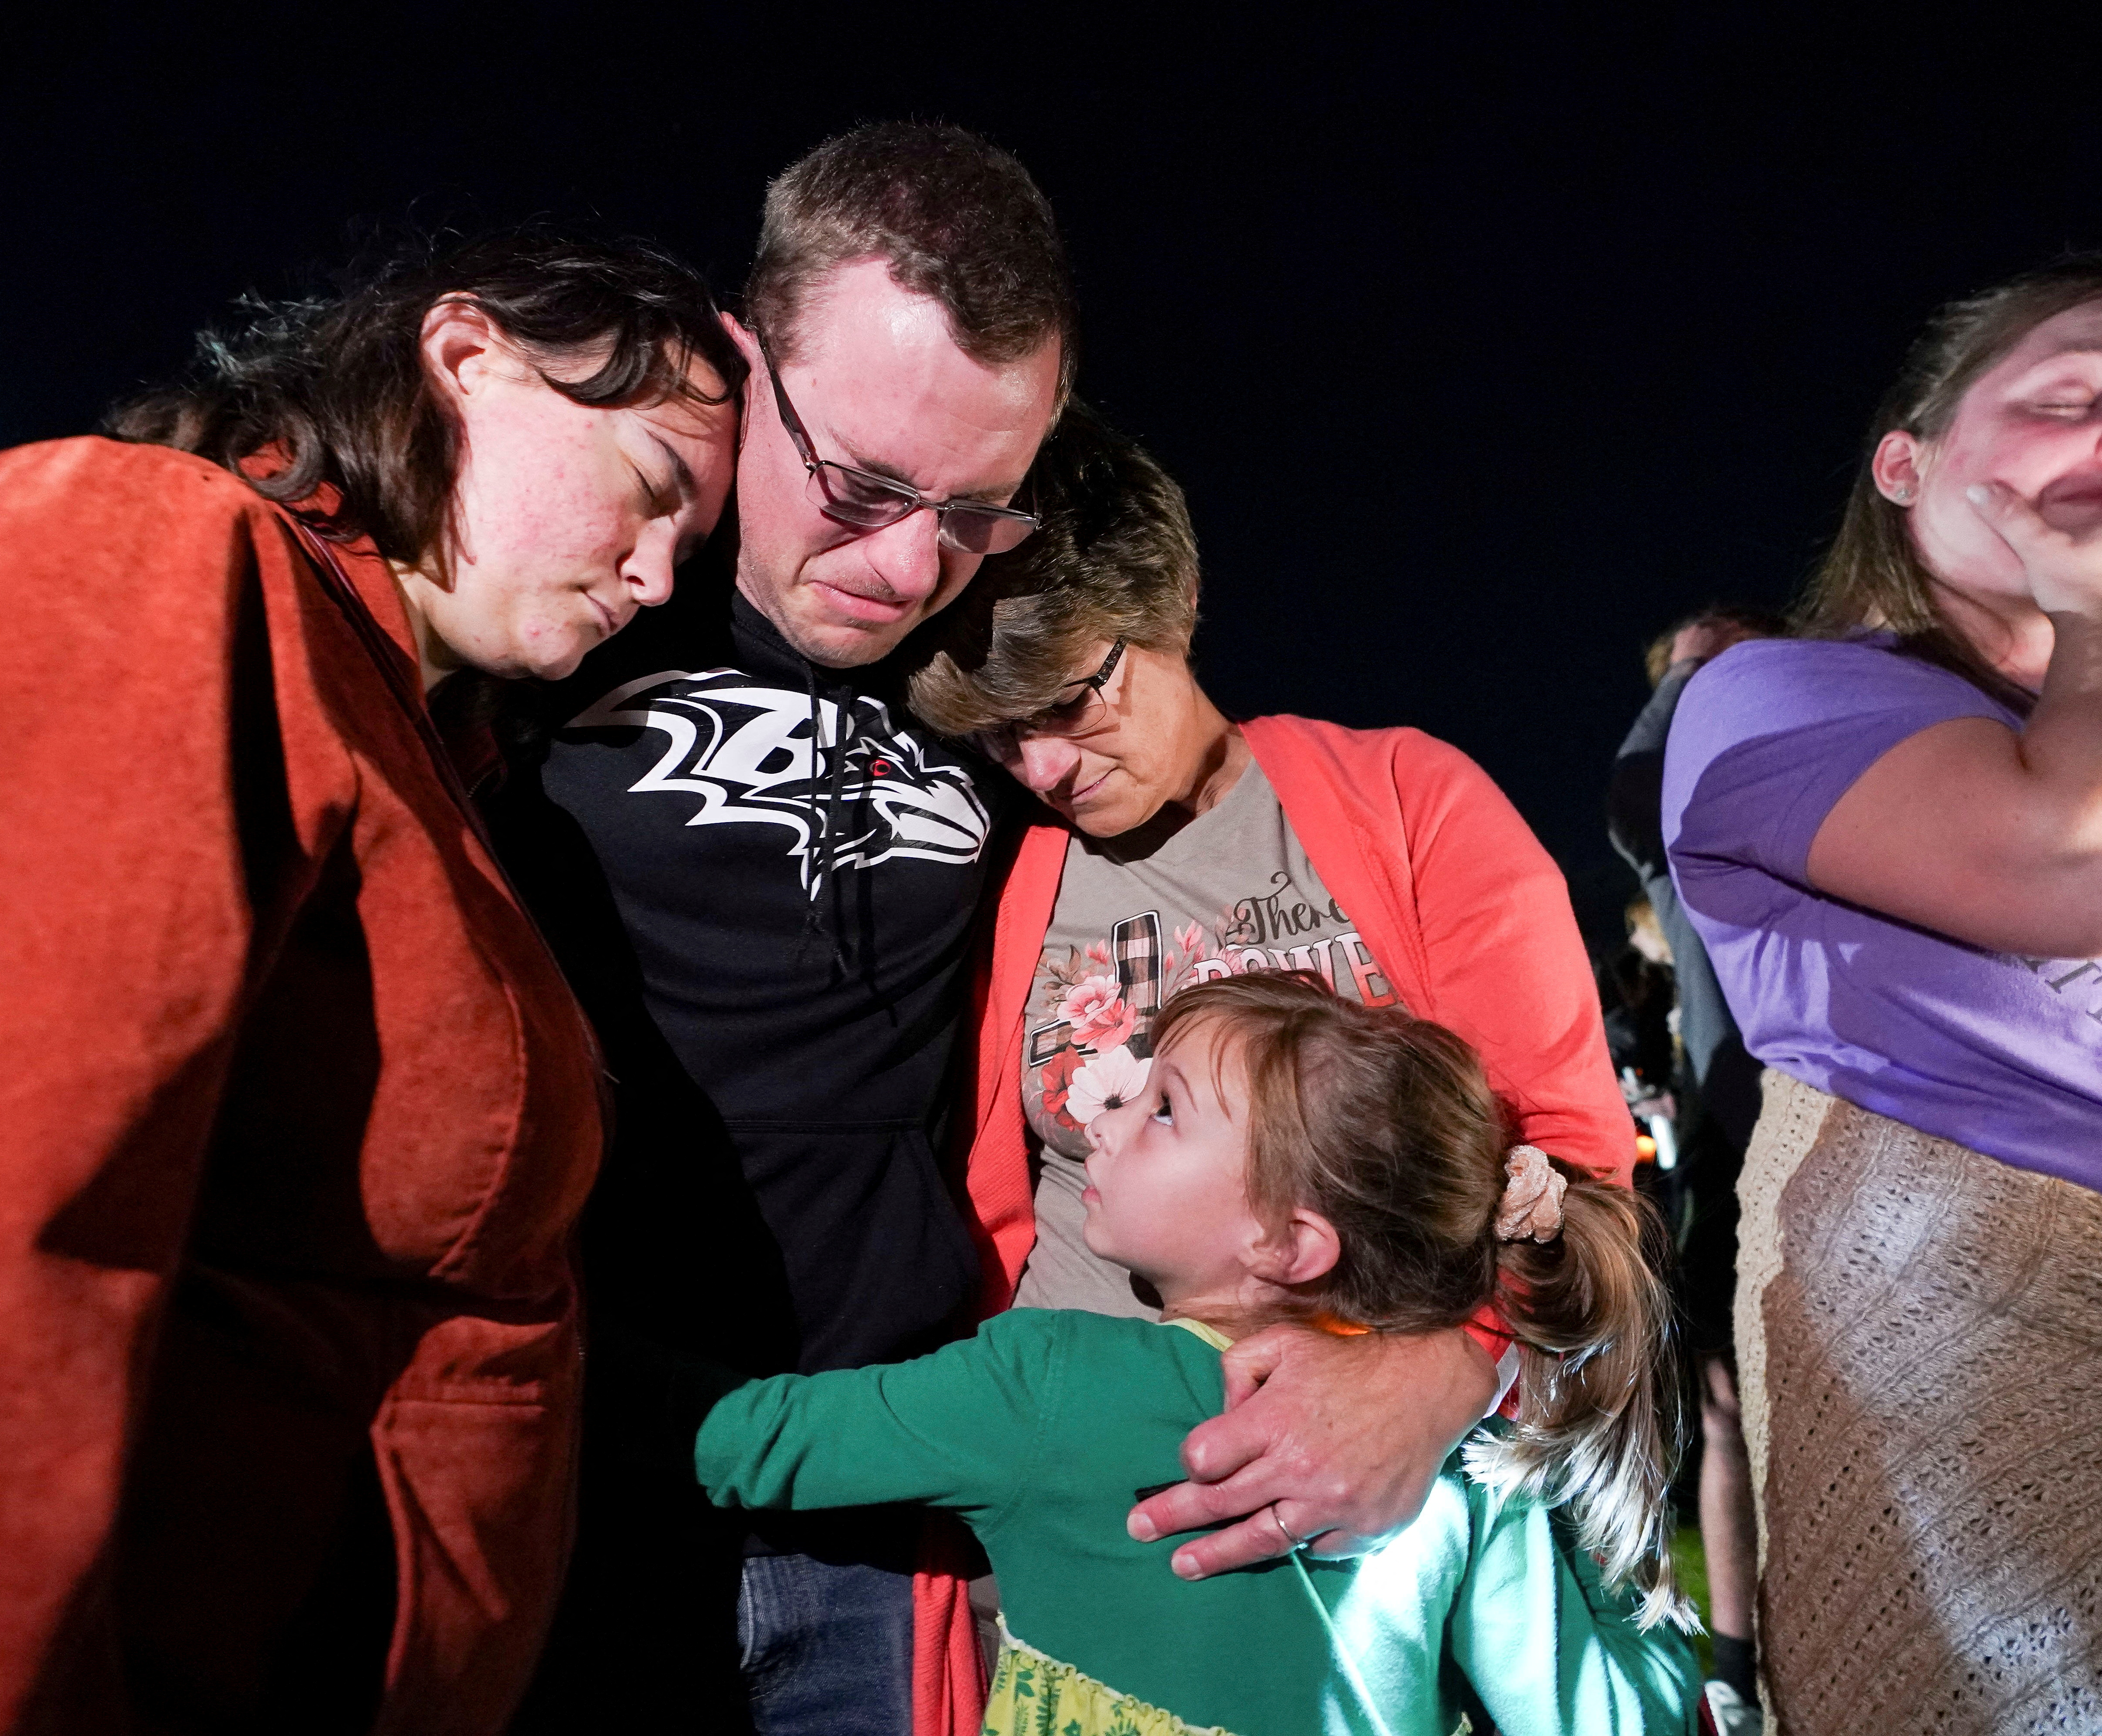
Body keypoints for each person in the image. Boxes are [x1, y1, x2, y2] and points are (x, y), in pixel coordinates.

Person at [0, 123, 1527, 1736]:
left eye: (976, 509)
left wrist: (1452, 1354)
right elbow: (207, 618)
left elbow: (1345, 991)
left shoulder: (978, 672)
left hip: (889, 1525)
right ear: (745, 366)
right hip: (574, 1497)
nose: (904, 564)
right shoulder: (564, 592)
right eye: (859, 486)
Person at [0, 232, 743, 1736]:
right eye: (651, 484)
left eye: (689, 549)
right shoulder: (158, 547)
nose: (656, 576)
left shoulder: (416, 746)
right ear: (467, 360)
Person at [901, 402, 1642, 1716]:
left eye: (1074, 697)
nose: (1047, 764)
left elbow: (1571, 1161)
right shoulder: (997, 882)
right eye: (1001, 735)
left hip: (1380, 1567)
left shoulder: (1405, 801)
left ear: (1175, 601)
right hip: (1086, 1565)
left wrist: (1436, 1376)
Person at [1663, 236, 2102, 1730]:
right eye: (2074, 394)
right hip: (2006, 1415)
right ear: (1906, 467)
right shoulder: (1771, 698)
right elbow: (2096, 869)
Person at [683, 974, 1698, 1736]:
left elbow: (746, 1442)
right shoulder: (1463, 1464)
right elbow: (1615, 1715)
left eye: (1163, 1109)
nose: (1103, 1117)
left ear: (1287, 1242)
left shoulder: (1046, 1382)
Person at [1607, 604, 1783, 1735]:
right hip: (1732, 1153)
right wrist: (1684, 674)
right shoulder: (1694, 856)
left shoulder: (1821, 812)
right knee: (1724, 1405)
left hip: (1855, 1156)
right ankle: (1739, 1665)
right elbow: (1636, 801)